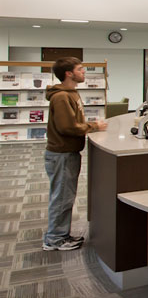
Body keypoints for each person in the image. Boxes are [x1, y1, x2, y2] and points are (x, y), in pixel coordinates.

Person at [44, 57, 108, 251]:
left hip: (67, 153)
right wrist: (93, 126)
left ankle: (60, 234)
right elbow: (67, 127)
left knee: (64, 196)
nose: (84, 72)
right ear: (69, 74)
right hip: (62, 154)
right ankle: (54, 239)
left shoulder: (71, 93)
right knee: (61, 197)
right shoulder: (62, 96)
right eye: (80, 69)